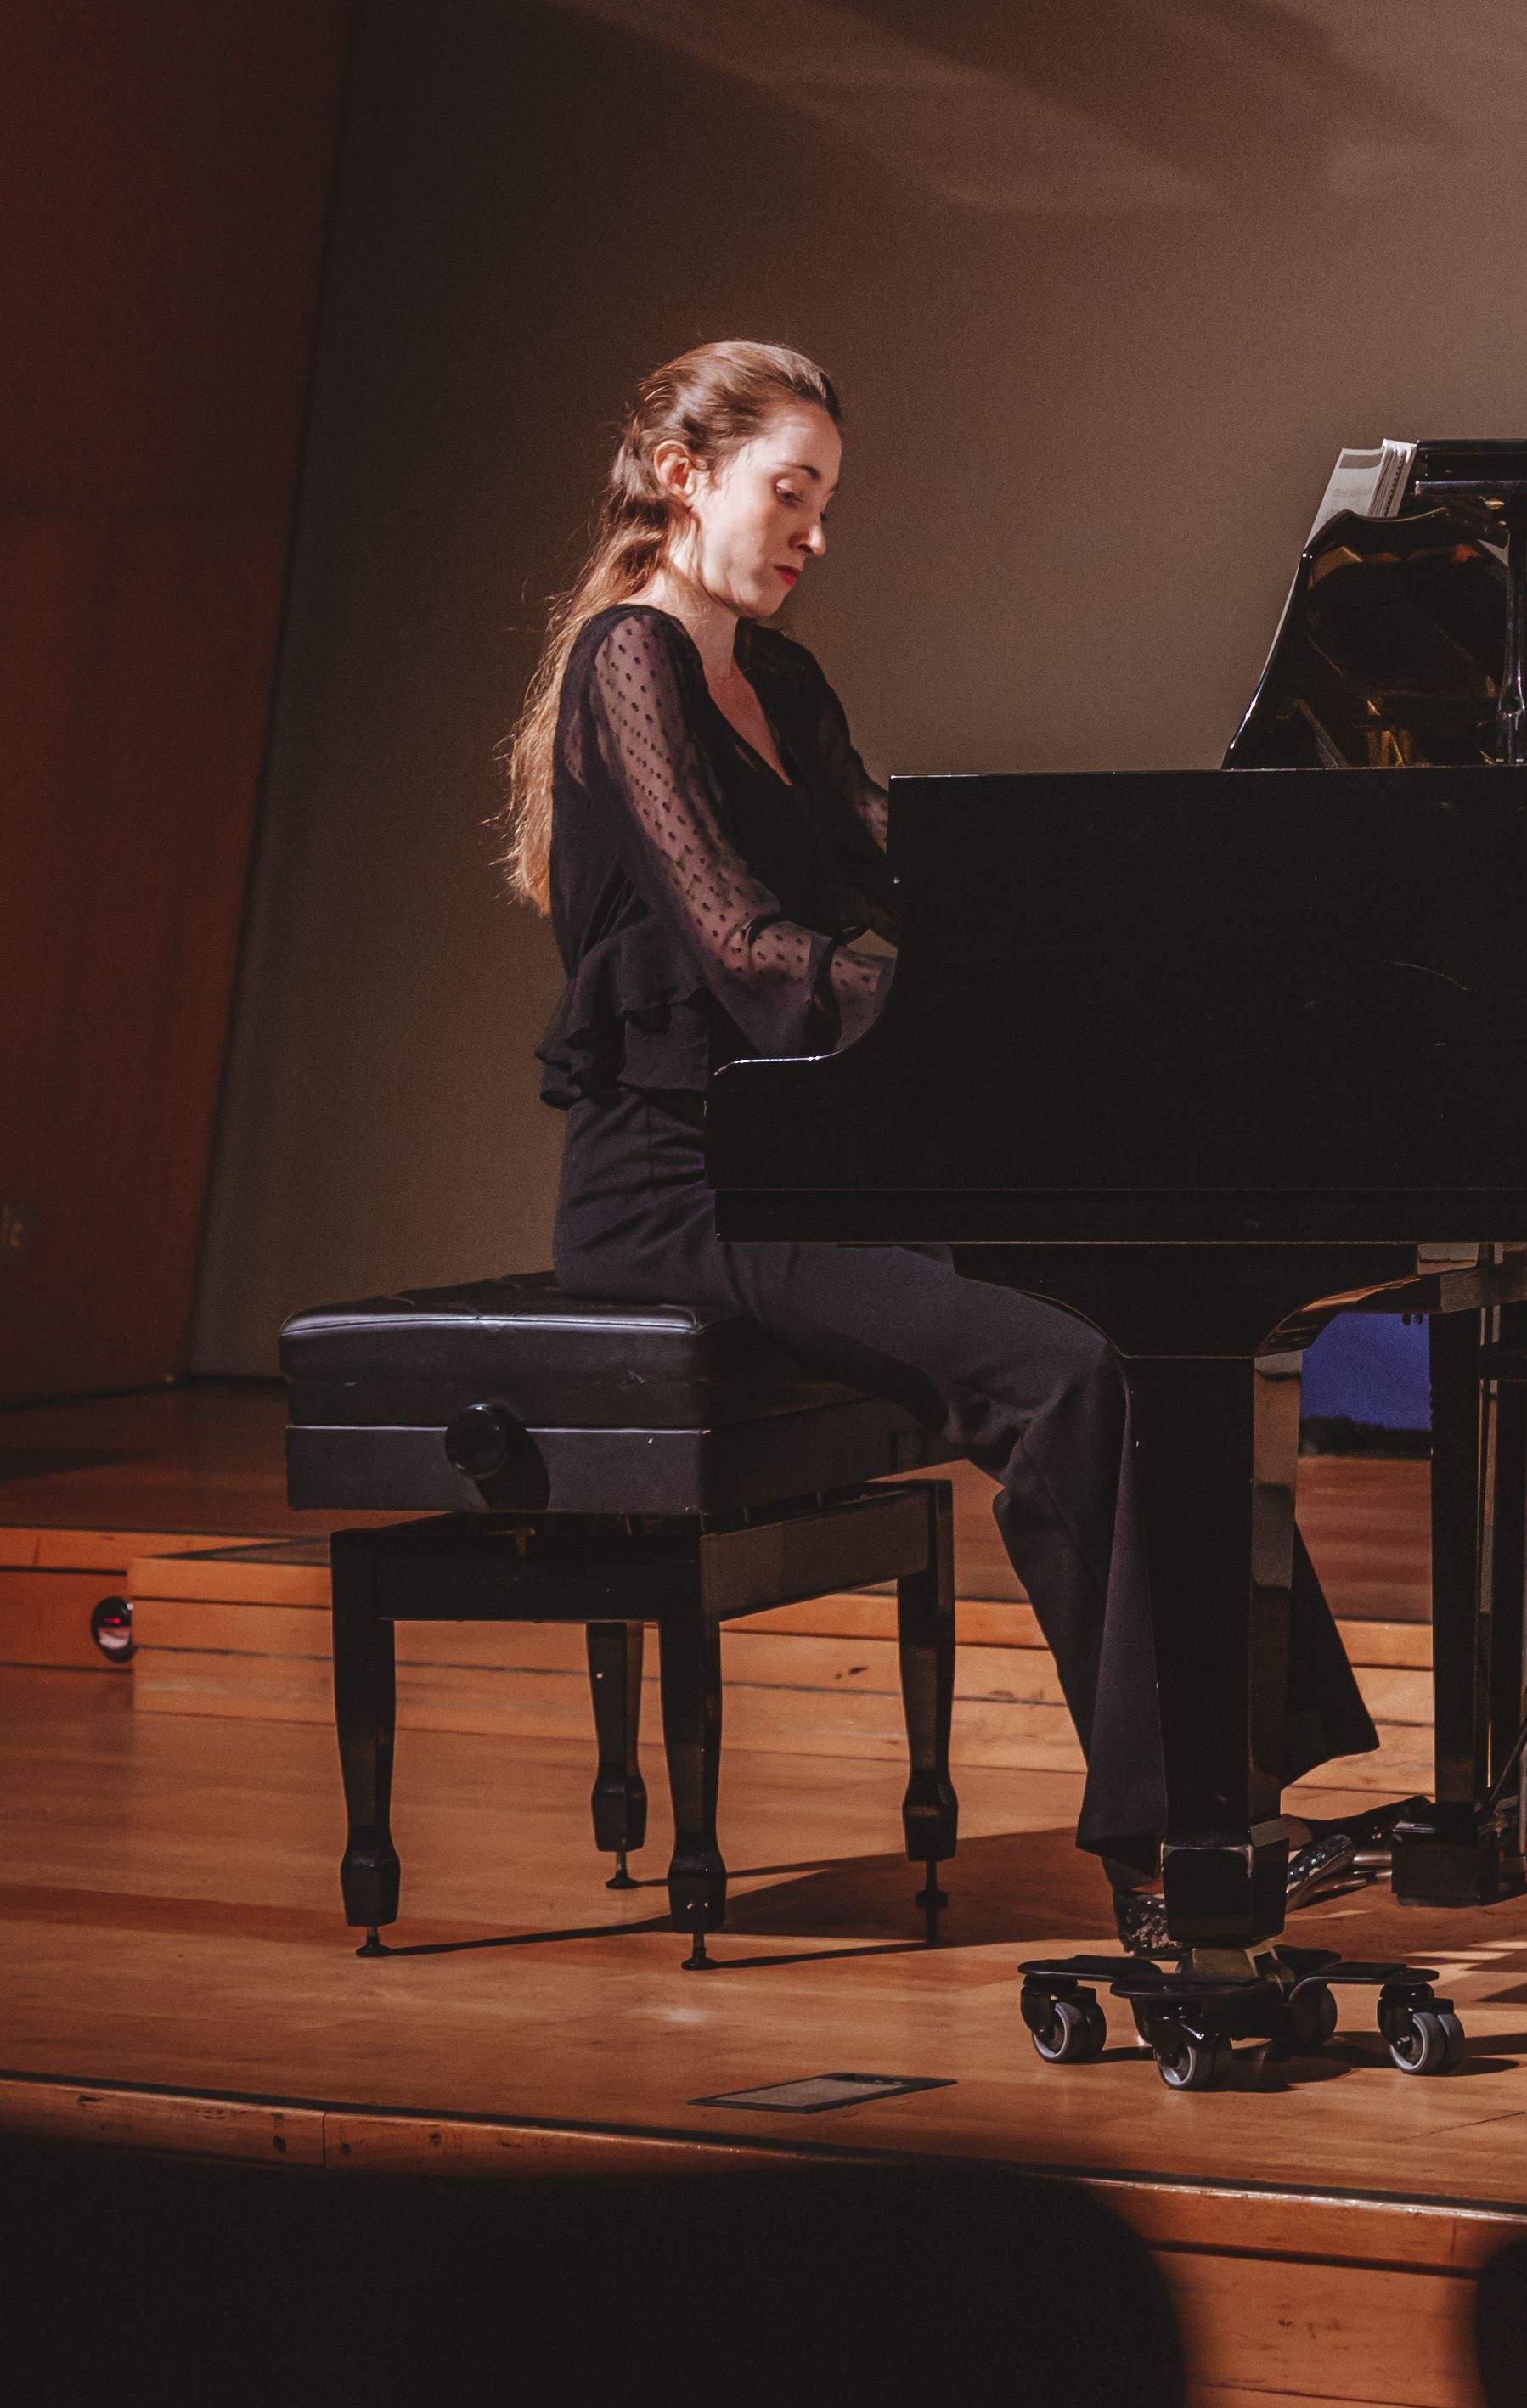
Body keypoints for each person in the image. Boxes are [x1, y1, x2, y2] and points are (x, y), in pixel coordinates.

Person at [503, 337, 1373, 1936]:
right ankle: (1166, 1854)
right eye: (791, 491)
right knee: (1066, 1369)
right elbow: (744, 944)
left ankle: (1236, 1784)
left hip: (807, 1161)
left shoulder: (789, 683)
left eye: (826, 499)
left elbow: (910, 884)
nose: (813, 534)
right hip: (677, 1193)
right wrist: (937, 1009)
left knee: (1147, 1333)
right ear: (687, 479)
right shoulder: (628, 661)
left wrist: (1100, 936)